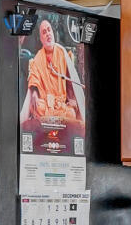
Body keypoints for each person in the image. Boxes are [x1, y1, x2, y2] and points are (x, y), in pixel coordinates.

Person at [20, 17, 85, 151]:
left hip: (61, 106)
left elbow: (70, 80)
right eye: (44, 32)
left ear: (53, 33)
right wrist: (34, 94)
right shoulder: (38, 58)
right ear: (41, 39)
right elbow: (33, 77)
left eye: (49, 30)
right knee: (39, 108)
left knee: (71, 114)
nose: (48, 34)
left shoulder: (62, 53)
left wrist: (72, 100)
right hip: (46, 105)